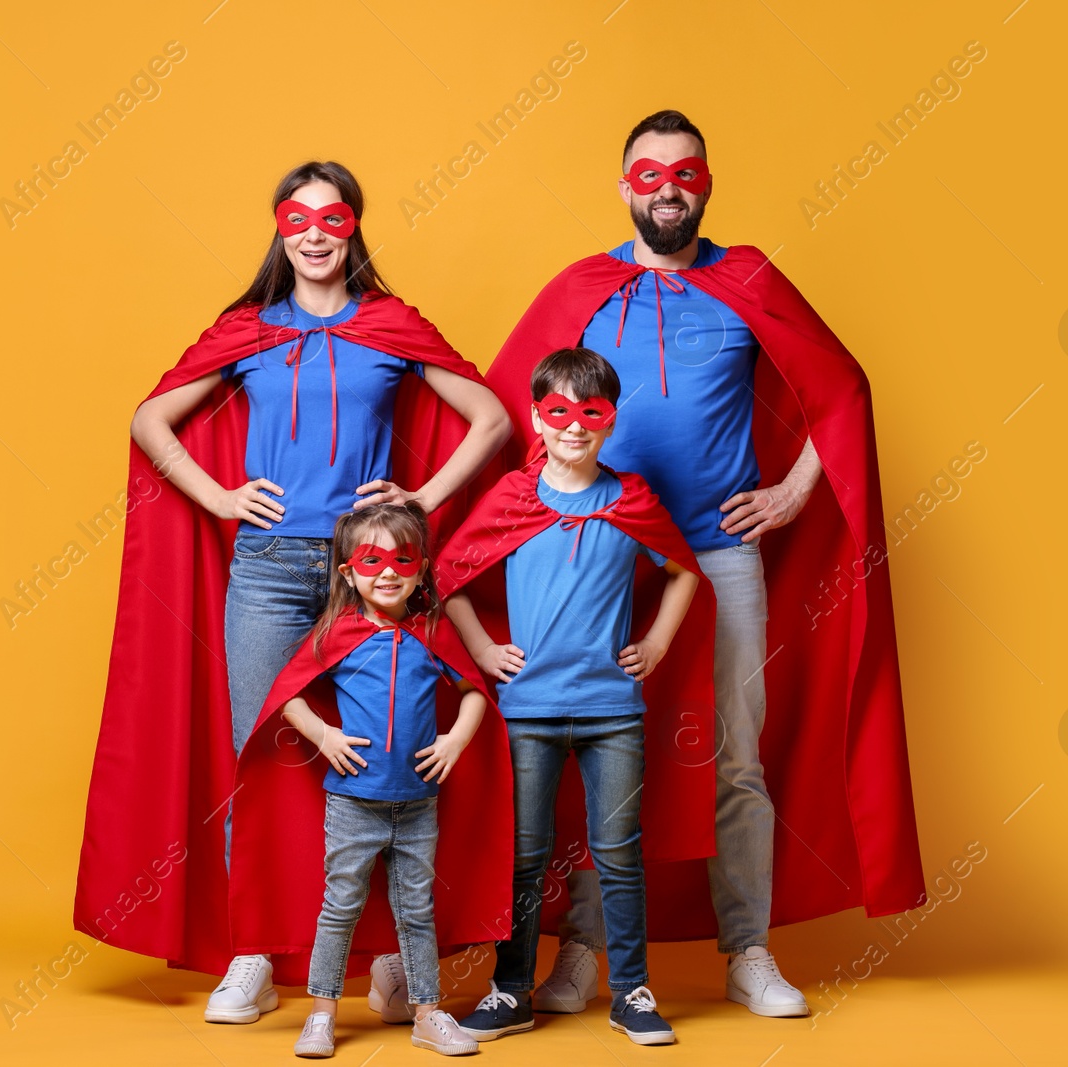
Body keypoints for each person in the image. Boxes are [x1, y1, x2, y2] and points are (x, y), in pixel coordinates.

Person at [480, 110, 927, 1019]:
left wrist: (794, 494)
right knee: (596, 753)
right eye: (648, 174)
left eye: (684, 173)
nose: (668, 188)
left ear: (707, 185)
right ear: (624, 189)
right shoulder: (584, 289)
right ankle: (583, 951)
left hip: (719, 555)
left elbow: (842, 388)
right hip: (605, 558)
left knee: (735, 754)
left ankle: (749, 951)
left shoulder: (748, 279)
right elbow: (502, 407)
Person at [71, 161, 512, 1022]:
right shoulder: (249, 330)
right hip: (269, 571)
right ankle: (254, 955)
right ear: (279, 228)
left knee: (388, 753)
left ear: (353, 229)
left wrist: (420, 498)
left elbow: (493, 417)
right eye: (298, 217)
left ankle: (390, 955)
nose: (314, 233)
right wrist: (222, 496)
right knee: (265, 752)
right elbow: (149, 418)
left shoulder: (391, 325)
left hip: (370, 580)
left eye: (333, 218)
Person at [432, 348, 710, 1046]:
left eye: (591, 413)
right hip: (527, 708)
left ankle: (633, 990)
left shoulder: (631, 501)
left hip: (613, 709)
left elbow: (684, 572)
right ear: (536, 416)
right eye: (558, 412)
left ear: (610, 421)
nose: (574, 427)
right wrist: (486, 650)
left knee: (618, 851)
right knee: (525, 854)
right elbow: (448, 576)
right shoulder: (513, 500)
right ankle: (511, 989)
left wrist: (659, 644)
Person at [257, 504, 488, 1058]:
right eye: (372, 559)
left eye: (402, 559)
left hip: (417, 804)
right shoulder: (337, 633)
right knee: (340, 906)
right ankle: (321, 1014)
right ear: (348, 572)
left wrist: (455, 740)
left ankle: (428, 1014)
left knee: (418, 911)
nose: (388, 572)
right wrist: (325, 737)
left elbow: (476, 690)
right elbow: (285, 696)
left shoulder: (433, 631)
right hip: (353, 803)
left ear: (421, 568)